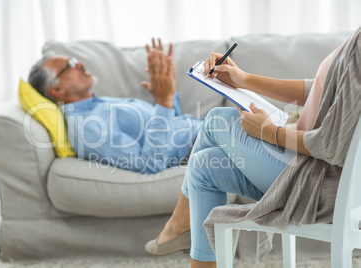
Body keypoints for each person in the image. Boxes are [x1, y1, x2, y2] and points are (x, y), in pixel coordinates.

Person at [146, 27, 361, 268]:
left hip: (320, 183)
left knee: (218, 119)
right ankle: (185, 237)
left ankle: (178, 225)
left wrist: (271, 133)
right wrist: (245, 80)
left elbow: (330, 146)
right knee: (203, 164)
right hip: (314, 169)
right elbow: (323, 93)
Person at [28, 39, 203, 174]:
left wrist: (167, 95)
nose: (80, 64)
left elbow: (170, 130)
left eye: (75, 60)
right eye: (70, 66)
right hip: (198, 146)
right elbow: (150, 165)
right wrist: (163, 103)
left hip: (201, 132)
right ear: (57, 89)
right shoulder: (89, 127)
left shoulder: (98, 105)